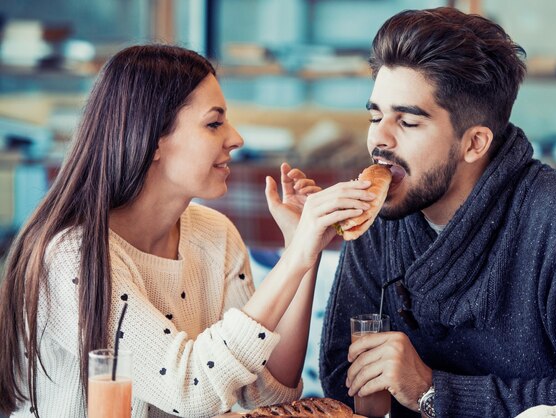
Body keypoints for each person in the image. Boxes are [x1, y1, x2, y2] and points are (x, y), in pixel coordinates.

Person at [0, 44, 376, 417]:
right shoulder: (71, 256)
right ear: (152, 139)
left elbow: (266, 394)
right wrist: (294, 258)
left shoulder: (213, 234)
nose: (236, 138)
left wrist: (302, 249)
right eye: (214, 123)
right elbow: (188, 390)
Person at [319, 7, 556, 418]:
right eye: (375, 116)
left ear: (475, 143)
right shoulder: (380, 213)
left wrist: (432, 390)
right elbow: (342, 380)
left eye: (407, 123)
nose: (379, 139)